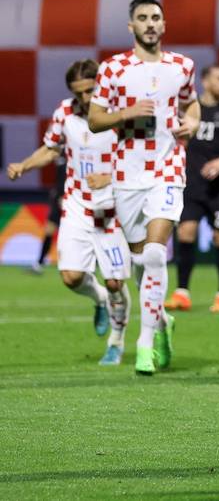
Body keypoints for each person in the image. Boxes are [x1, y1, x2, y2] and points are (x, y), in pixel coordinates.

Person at [88, 0, 200, 375]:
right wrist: (126, 113)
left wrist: (194, 124)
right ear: (131, 26)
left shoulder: (182, 66)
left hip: (168, 169)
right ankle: (163, 322)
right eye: (142, 18)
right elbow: (95, 119)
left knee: (154, 254)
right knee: (141, 262)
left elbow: (192, 104)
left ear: (164, 25)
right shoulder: (113, 68)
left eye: (156, 17)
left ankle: (144, 342)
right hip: (127, 174)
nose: (150, 23)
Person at [7, 59, 132, 365]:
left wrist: (110, 177)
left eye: (91, 90)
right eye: (80, 93)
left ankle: (116, 342)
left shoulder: (120, 113)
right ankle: (99, 299)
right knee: (71, 277)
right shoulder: (65, 112)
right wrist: (24, 165)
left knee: (115, 281)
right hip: (76, 203)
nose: (87, 98)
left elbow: (140, 159)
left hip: (112, 207)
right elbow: (51, 149)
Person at [165, 65, 219, 313]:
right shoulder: (192, 109)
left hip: (218, 188)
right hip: (191, 183)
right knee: (185, 234)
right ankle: (182, 293)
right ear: (206, 81)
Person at [27, 157, 66, 275]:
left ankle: (88, 265)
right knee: (49, 230)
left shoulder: (75, 150)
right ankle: (39, 263)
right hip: (57, 199)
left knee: (70, 234)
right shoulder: (59, 152)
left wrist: (65, 195)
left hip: (68, 199)